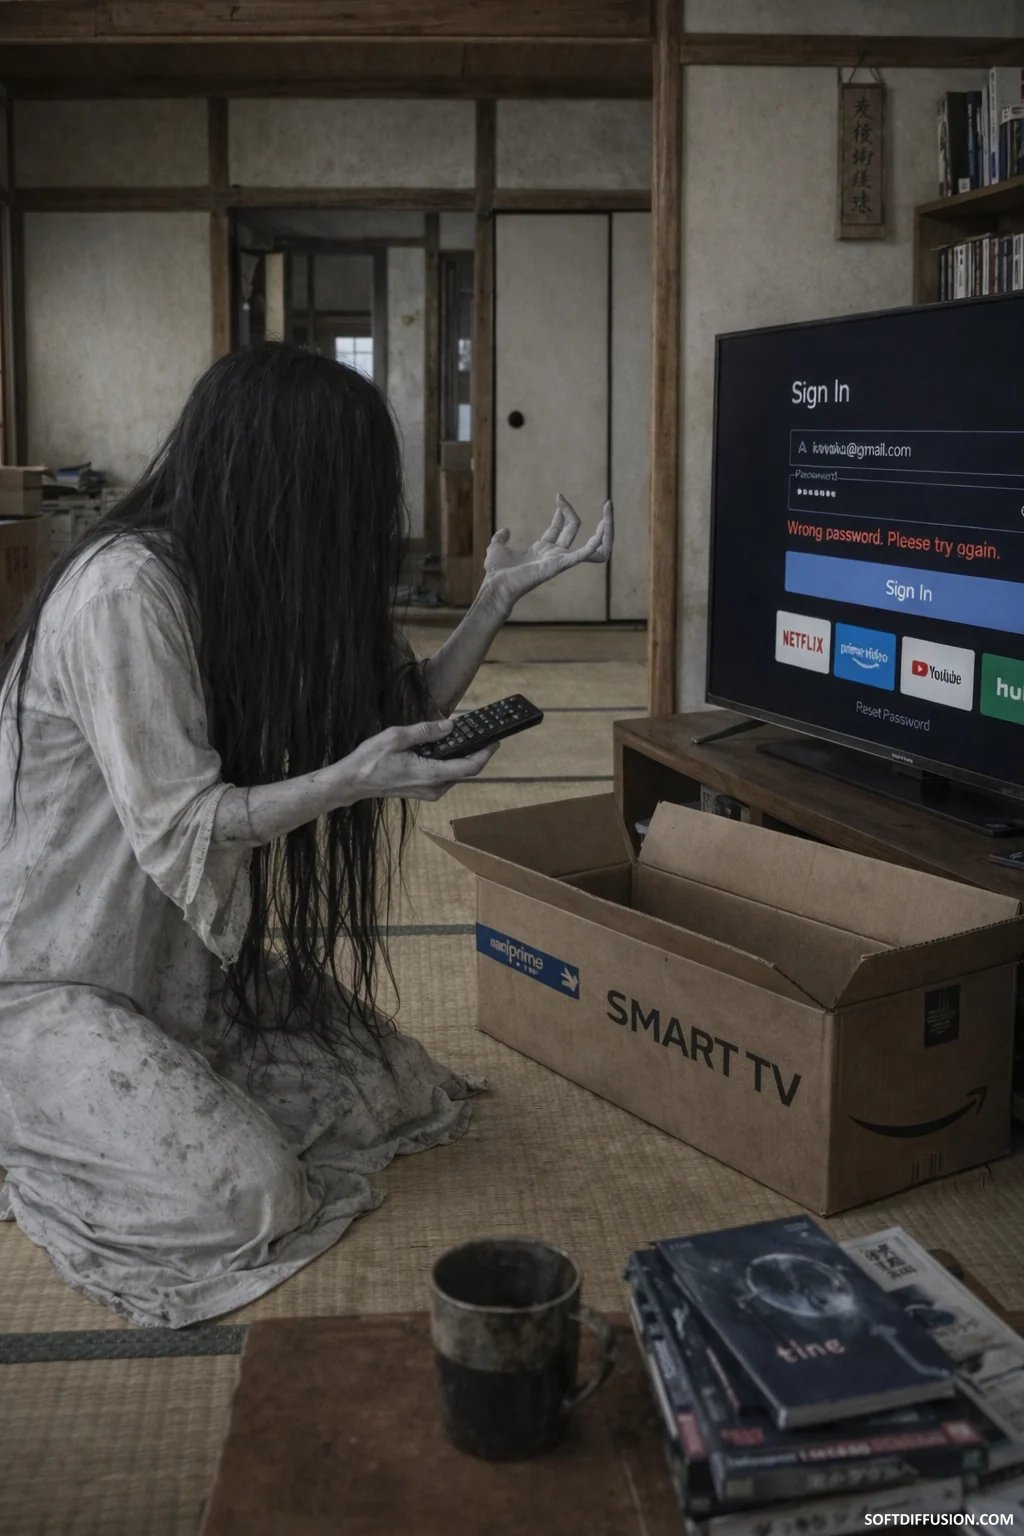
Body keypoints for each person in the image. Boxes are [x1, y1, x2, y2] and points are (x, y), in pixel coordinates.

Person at [0, 342, 613, 1329]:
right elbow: (193, 823)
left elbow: (390, 719)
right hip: (41, 980)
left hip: (169, 968)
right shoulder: (126, 593)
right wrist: (349, 780)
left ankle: (136, 1094)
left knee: (397, 1088)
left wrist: (493, 601)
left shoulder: (228, 580)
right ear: (284, 482)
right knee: (246, 1200)